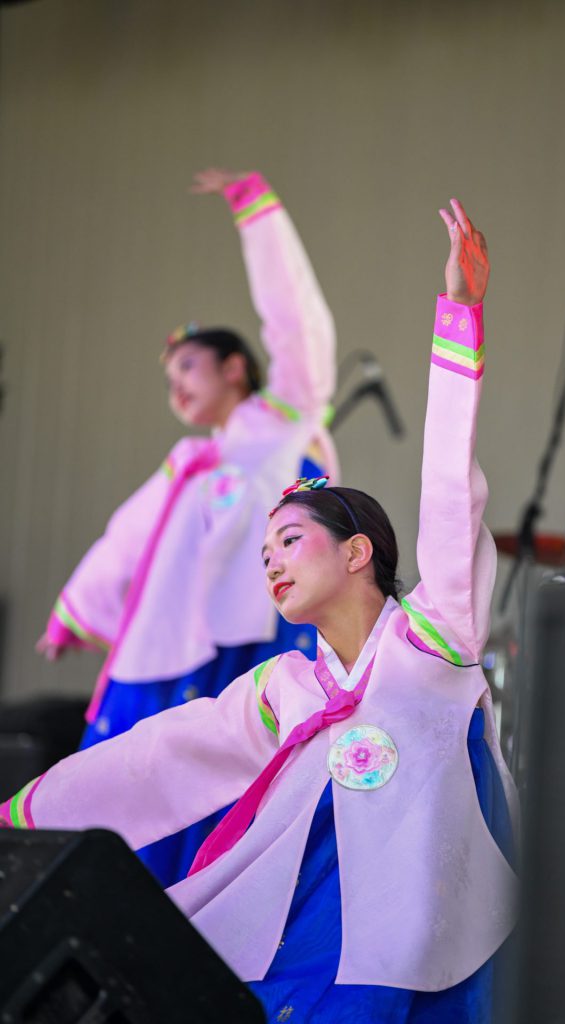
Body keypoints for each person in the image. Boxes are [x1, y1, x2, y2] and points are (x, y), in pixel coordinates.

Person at [3, 196, 518, 1022]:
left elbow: (448, 486)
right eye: (265, 549)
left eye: (290, 540)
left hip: (434, 951)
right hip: (306, 952)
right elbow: (156, 757)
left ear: (356, 553)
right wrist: (23, 814)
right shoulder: (285, 688)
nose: (270, 559)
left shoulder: (433, 637)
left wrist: (460, 314)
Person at [35, 169, 338, 886]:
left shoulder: (284, 418)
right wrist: (75, 611)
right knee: (145, 778)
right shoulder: (186, 463)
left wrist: (255, 215)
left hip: (252, 639)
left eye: (189, 367)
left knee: (241, 780)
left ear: (236, 368)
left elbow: (295, 319)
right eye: (168, 375)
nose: (176, 387)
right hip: (177, 649)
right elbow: (126, 537)